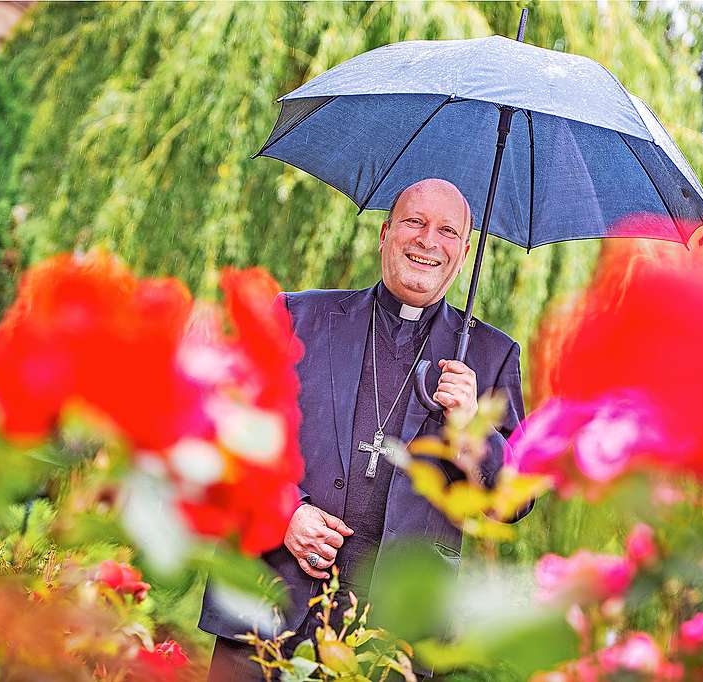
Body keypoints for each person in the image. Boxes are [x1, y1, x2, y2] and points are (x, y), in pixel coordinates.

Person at [200, 178, 527, 680]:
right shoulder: (297, 315)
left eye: (446, 231)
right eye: (415, 222)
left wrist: (471, 429)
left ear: (463, 255)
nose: (427, 240)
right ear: (385, 232)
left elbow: (515, 499)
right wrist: (284, 511)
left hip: (389, 642)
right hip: (266, 606)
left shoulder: (490, 355)